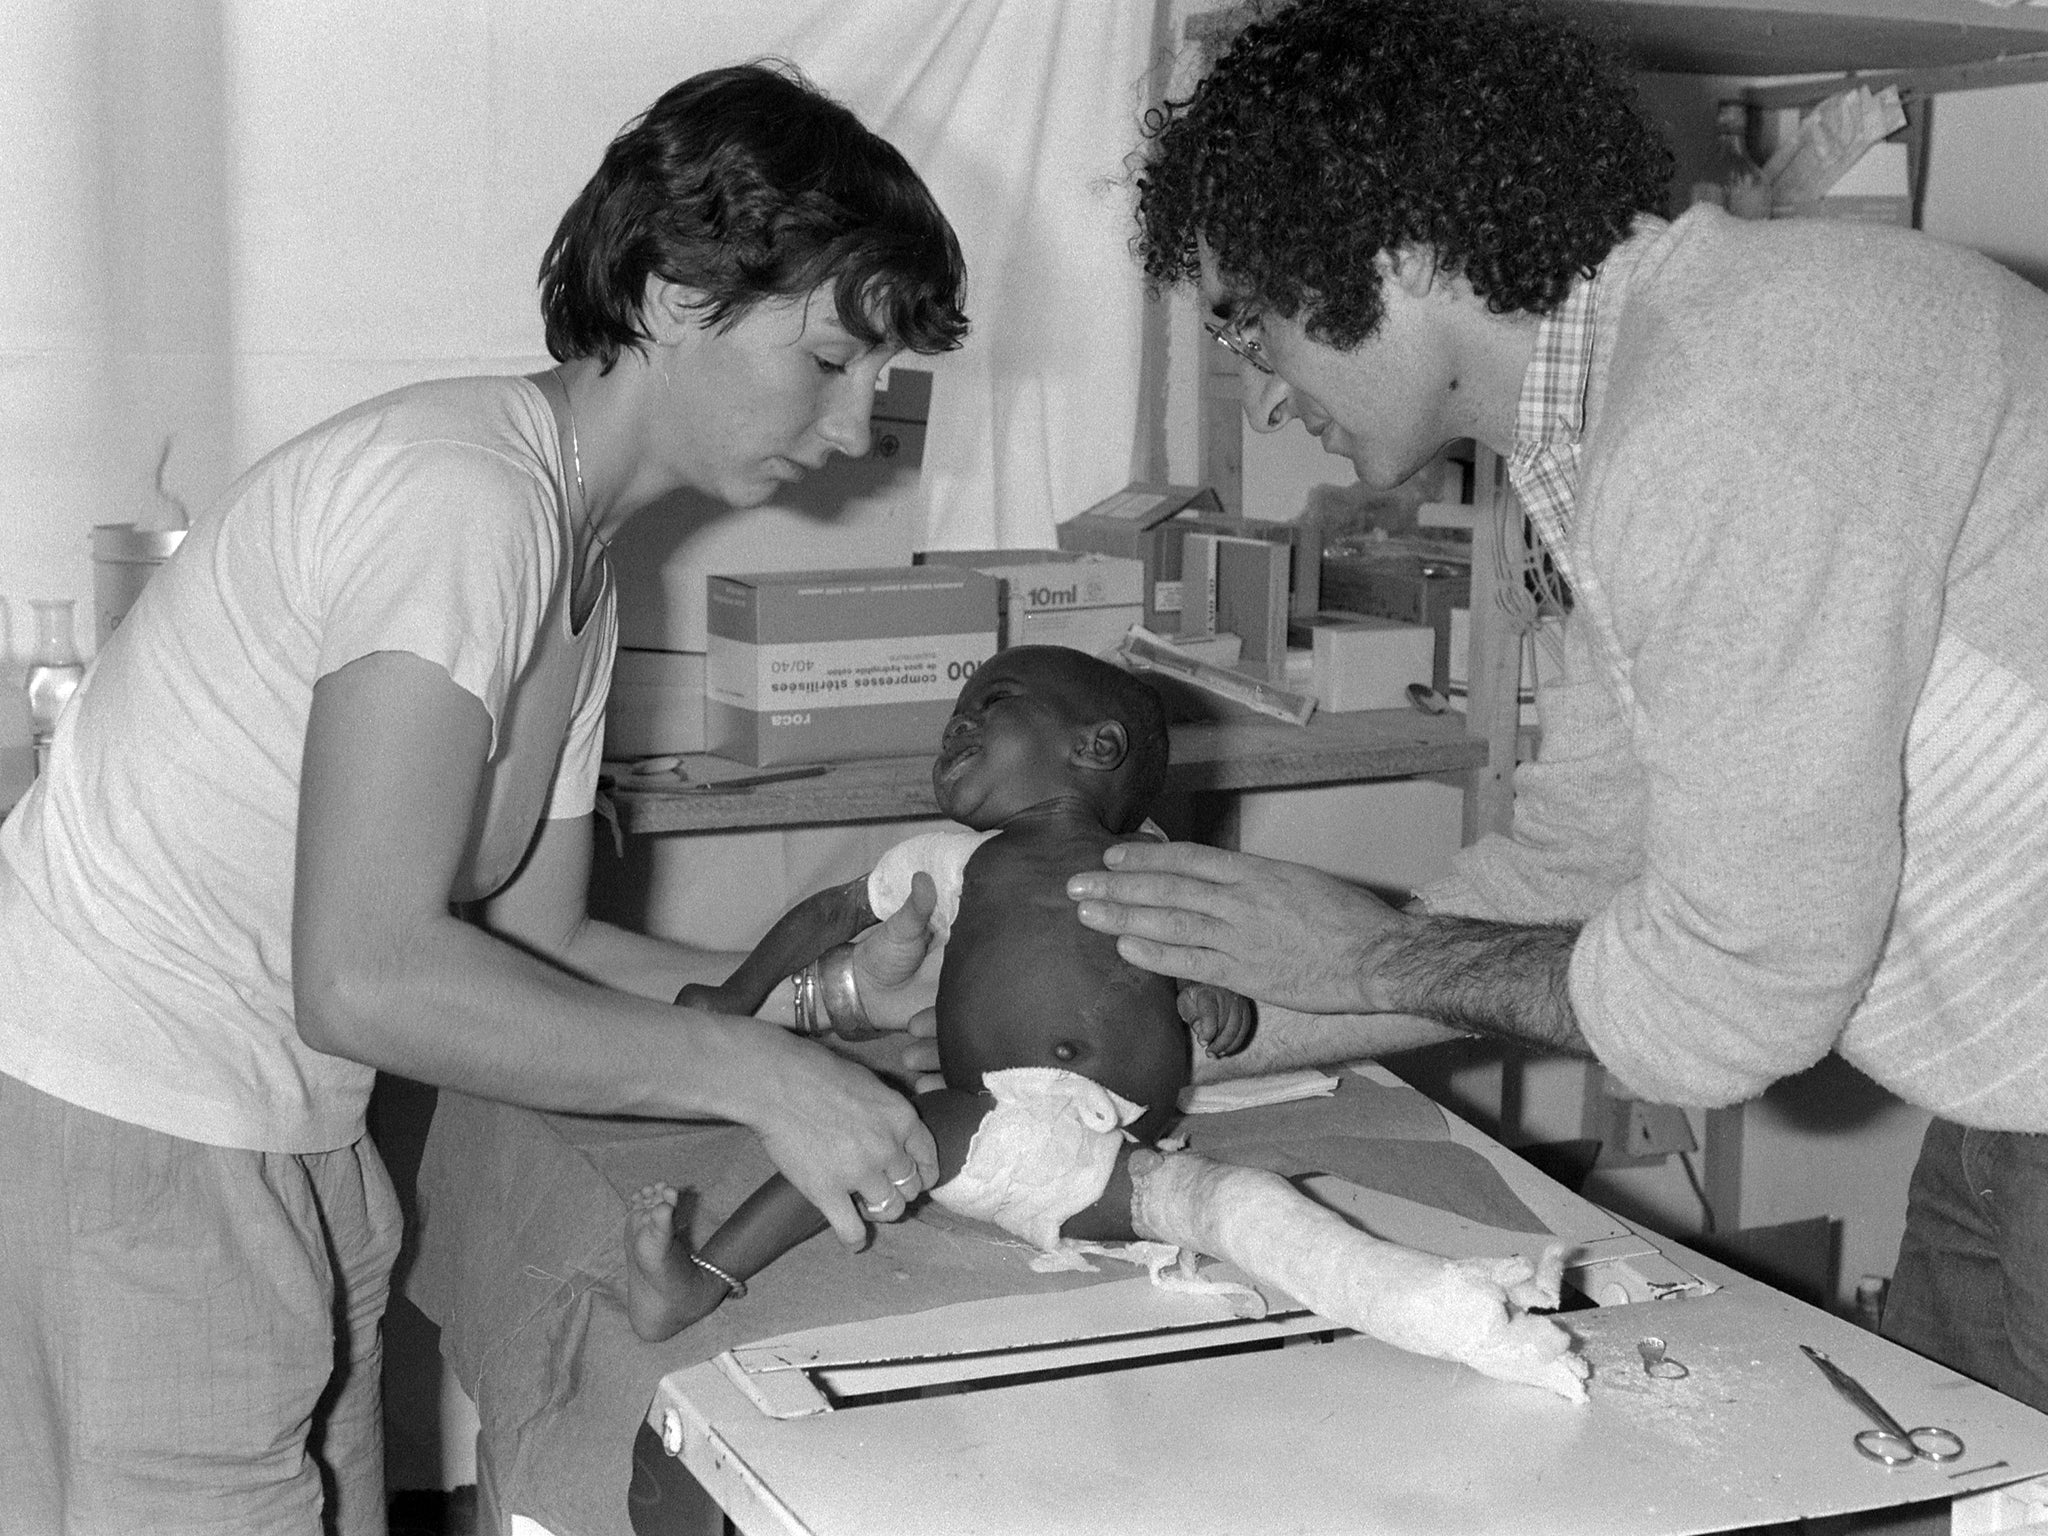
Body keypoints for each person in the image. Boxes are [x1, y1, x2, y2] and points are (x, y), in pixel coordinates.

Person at [0, 62, 967, 1534]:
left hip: (272, 1132)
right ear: (667, 290)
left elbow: (545, 949)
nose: (852, 428)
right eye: (832, 362)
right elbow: (369, 973)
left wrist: (824, 1005)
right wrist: (761, 1079)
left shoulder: (572, 569)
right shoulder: (462, 501)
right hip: (132, 1127)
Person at [1068, 0, 2048, 1415]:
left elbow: (1733, 1001)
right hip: (2009, 1086)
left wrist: (1366, 964)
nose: (1265, 391)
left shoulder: (1736, 396)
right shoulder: (1614, 426)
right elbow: (1577, 865)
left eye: (1251, 322)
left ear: (1392, 250)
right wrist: (1171, 1025)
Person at [623, 644, 1253, 1341]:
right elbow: (833, 912)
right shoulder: (952, 861)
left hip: (1120, 1141)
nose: (956, 726)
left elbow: (1192, 946)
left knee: (1237, 1215)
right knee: (859, 1139)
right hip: (980, 1120)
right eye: (955, 716)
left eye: (992, 704)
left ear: (1097, 746)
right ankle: (699, 1282)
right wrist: (734, 997)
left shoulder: (1152, 863)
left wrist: (1209, 991)